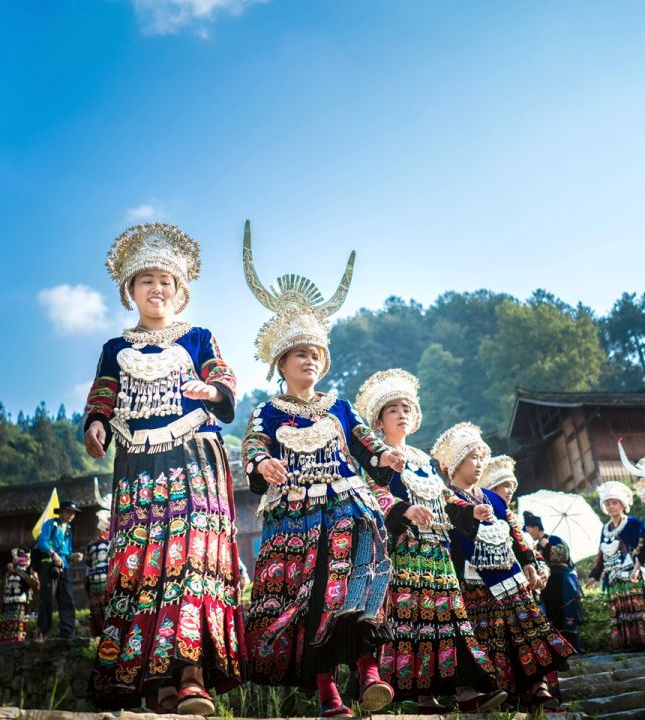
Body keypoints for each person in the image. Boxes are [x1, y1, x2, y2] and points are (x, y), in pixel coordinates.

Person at [84, 223, 244, 714]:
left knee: (193, 558)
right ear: (129, 291)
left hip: (195, 459)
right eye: (146, 280)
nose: (157, 288)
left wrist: (211, 392)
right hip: (139, 466)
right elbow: (103, 394)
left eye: (166, 281)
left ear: (180, 290)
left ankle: (193, 676)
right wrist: (95, 424)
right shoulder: (115, 348)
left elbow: (223, 378)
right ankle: (155, 684)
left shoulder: (198, 337)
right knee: (144, 564)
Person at [241, 239, 400, 718]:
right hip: (296, 516)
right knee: (310, 597)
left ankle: (370, 673)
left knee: (358, 584)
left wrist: (385, 456)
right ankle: (328, 690)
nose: (308, 360)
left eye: (315, 354)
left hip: (348, 506)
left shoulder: (339, 406)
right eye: (298, 354)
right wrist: (261, 465)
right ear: (281, 365)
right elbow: (253, 446)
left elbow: (364, 441)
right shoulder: (267, 411)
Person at [354, 370, 506, 715]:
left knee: (450, 618)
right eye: (393, 409)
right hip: (402, 552)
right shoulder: (374, 460)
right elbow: (370, 495)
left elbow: (446, 500)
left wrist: (472, 511)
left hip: (437, 552)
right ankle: (424, 697)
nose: (402, 414)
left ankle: (467, 692)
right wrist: (404, 509)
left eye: (407, 408)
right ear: (379, 420)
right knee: (414, 622)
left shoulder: (424, 461)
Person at [434, 423, 574, 708]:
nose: (479, 463)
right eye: (473, 457)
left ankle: (539, 687)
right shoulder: (444, 499)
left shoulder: (494, 498)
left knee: (527, 630)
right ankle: (501, 693)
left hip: (511, 577)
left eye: (481, 456)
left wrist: (530, 561)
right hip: (474, 582)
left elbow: (517, 534)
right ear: (457, 462)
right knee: (489, 636)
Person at [585, 481, 645, 650]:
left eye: (614, 502)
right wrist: (594, 575)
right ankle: (627, 644)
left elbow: (643, 546)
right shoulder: (605, 529)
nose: (611, 506)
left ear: (622, 504)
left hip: (631, 574)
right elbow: (601, 555)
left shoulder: (634, 524)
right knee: (620, 612)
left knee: (636, 608)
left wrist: (637, 566)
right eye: (607, 503)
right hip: (613, 578)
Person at [520, 507, 584, 652]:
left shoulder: (554, 539)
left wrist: (548, 545)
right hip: (549, 583)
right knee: (553, 614)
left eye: (529, 528)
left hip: (563, 580)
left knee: (567, 612)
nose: (528, 532)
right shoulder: (535, 546)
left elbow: (564, 556)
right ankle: (560, 650)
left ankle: (575, 648)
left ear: (536, 527)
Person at [35, 500, 84, 639]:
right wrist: (53, 554)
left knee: (67, 598)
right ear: (61, 511)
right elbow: (42, 542)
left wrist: (73, 556)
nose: (71, 515)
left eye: (73, 513)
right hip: (50, 565)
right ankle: (43, 632)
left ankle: (67, 632)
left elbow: (67, 552)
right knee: (47, 599)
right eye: (68, 511)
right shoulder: (50, 524)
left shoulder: (68, 530)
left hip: (65, 567)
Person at [85, 478, 112, 638]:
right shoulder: (114, 541)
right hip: (107, 580)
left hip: (95, 580)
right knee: (108, 607)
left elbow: (87, 566)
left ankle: (101, 633)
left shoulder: (92, 544)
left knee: (98, 608)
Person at [0, 548, 40, 643]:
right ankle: (4, 640)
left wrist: (27, 574)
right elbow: (3, 584)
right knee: (6, 622)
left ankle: (17, 640)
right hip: (8, 601)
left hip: (20, 600)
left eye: (27, 558)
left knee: (18, 623)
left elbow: (36, 586)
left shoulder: (29, 571)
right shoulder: (8, 571)